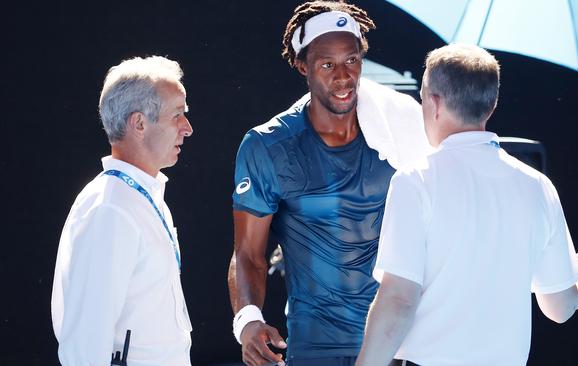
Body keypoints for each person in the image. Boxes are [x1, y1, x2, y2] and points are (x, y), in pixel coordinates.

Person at [355, 44, 578, 366]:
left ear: (434, 103)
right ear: (491, 104)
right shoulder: (537, 186)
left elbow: (398, 300)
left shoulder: (416, 180)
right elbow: (560, 307)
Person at [228, 1, 431, 365]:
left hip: (396, 347)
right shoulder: (267, 146)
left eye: (352, 60)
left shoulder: (403, 133)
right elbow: (248, 254)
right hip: (312, 352)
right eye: (327, 65)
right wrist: (247, 320)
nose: (343, 76)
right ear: (301, 65)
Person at [51, 56, 194, 366]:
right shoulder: (111, 209)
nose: (188, 128)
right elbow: (84, 347)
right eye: (177, 115)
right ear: (139, 123)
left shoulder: (138, 197)